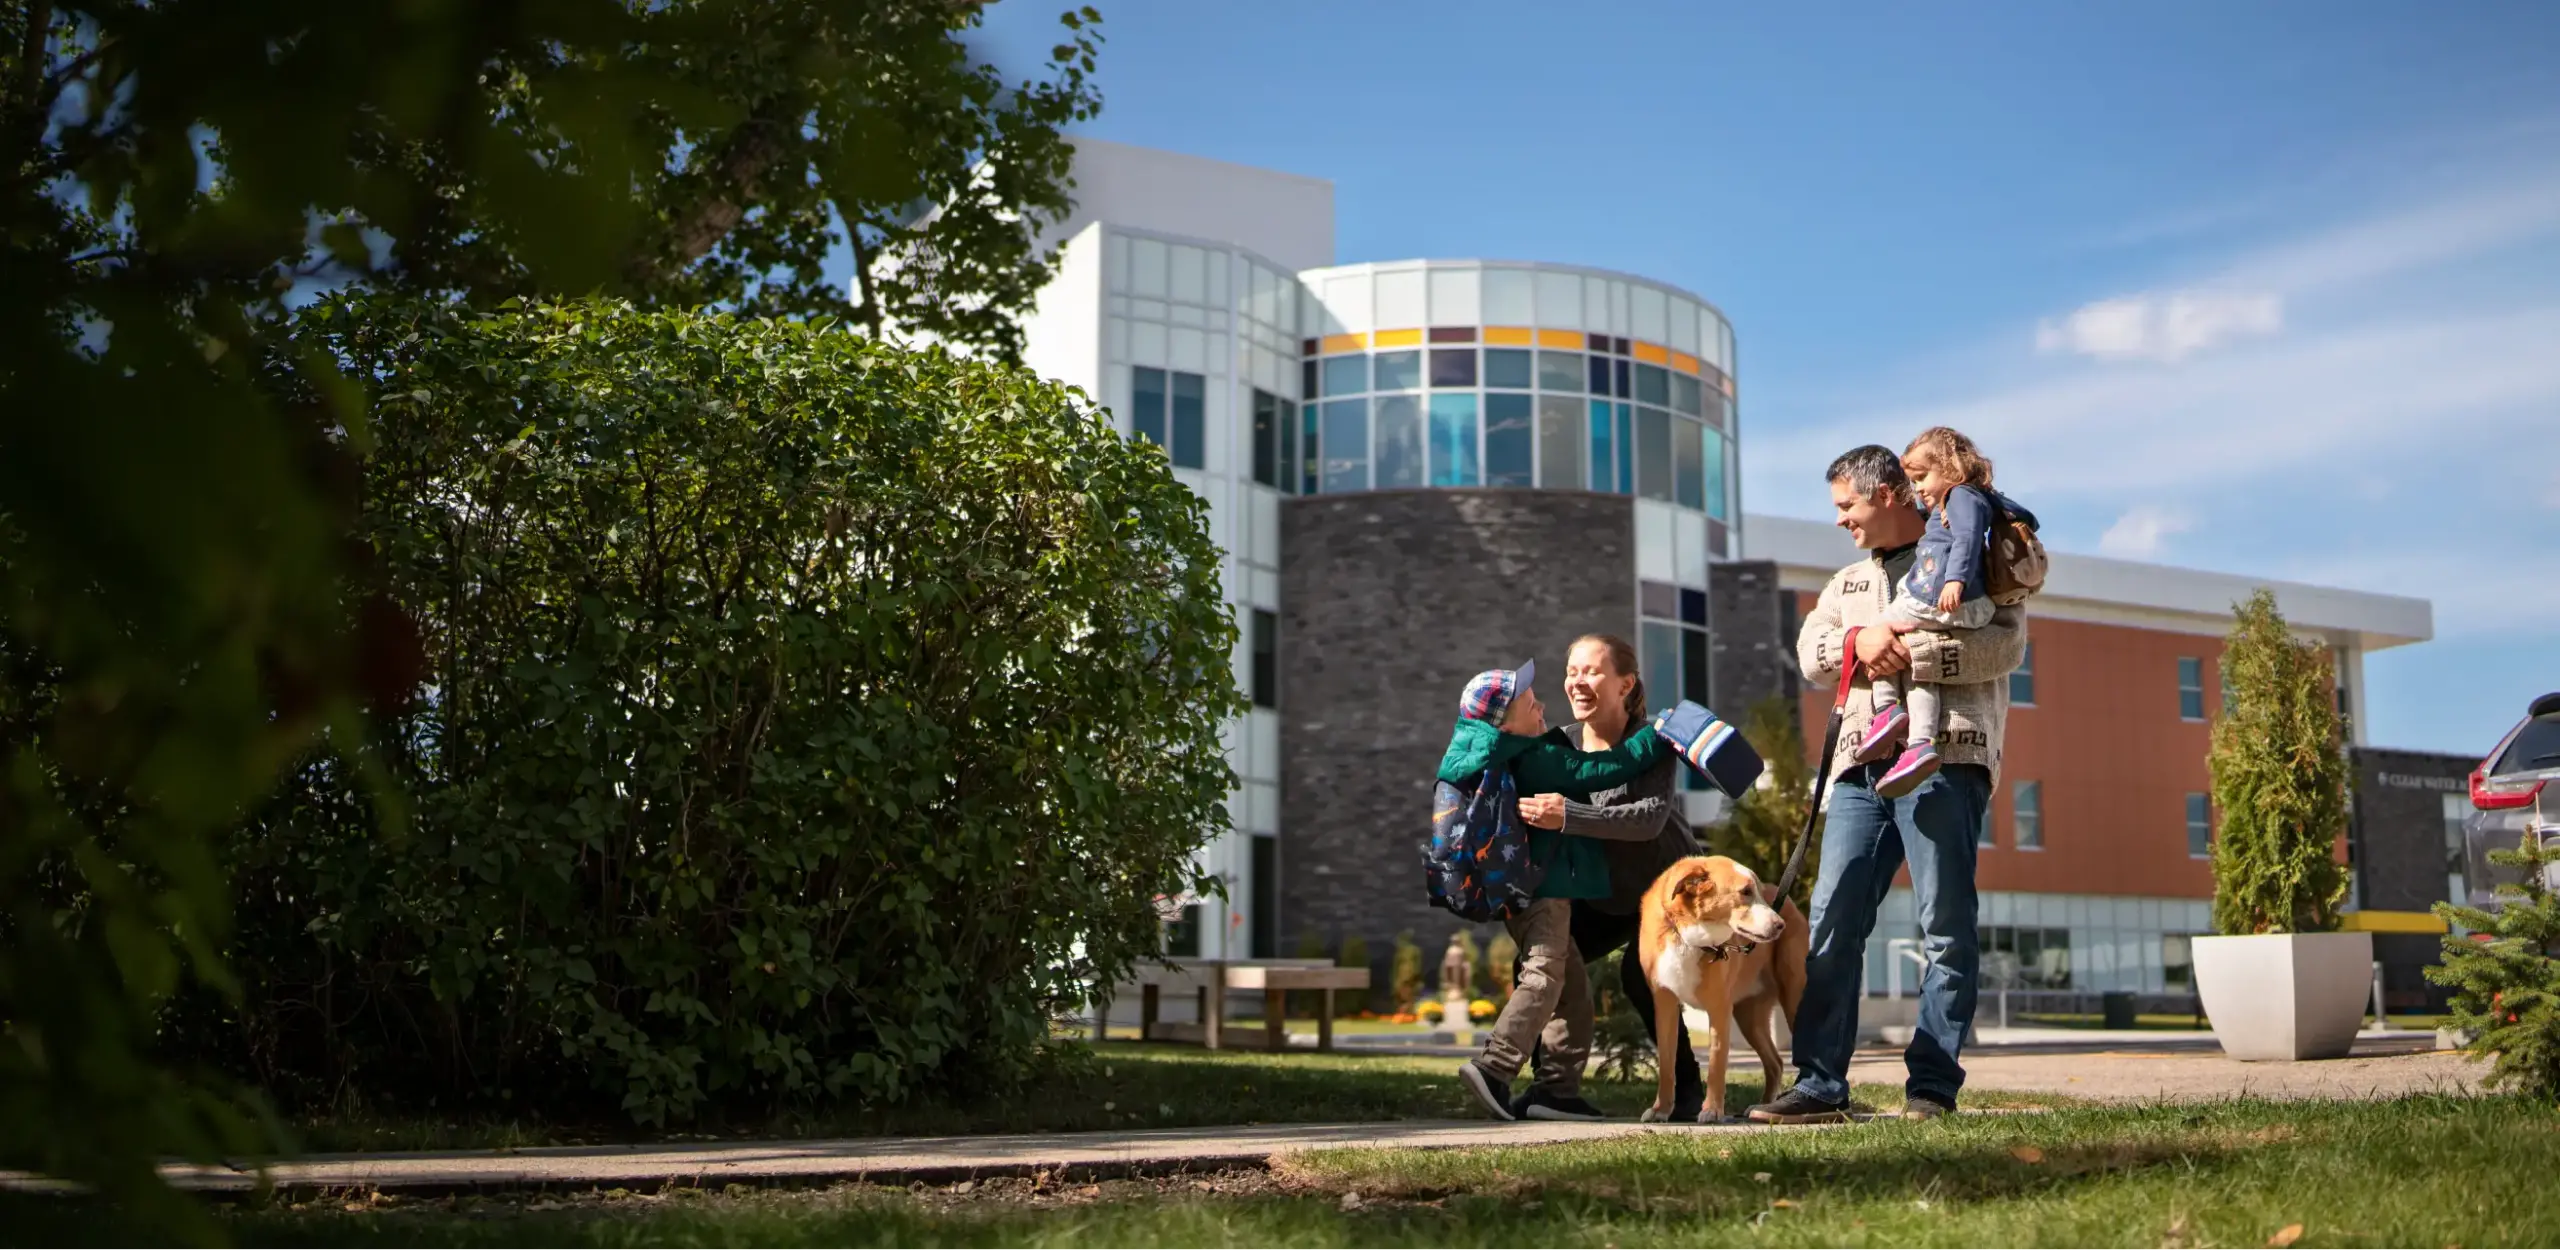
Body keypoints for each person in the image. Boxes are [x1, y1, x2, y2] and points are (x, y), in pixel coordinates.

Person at [1748, 445, 2027, 1126]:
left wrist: (1906, 650)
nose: (1841, 520)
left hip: (1947, 761)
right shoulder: (1843, 584)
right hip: (1856, 772)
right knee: (1831, 922)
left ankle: (1931, 1089)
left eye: (1849, 505)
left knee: (1946, 929)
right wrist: (1857, 647)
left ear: (1894, 493)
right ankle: (1820, 1084)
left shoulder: (1974, 559)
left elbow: (2005, 645)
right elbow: (1812, 652)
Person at [1437, 660, 1669, 1121]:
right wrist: (1657, 735)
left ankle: (1557, 1091)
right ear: (1503, 722)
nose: (1541, 704)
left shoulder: (1482, 753)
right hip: (1544, 889)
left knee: (1571, 990)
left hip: (1514, 887)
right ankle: (1495, 1066)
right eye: (1529, 702)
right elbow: (1601, 768)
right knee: (1544, 975)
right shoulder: (1530, 754)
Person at [1506, 633, 1709, 1122]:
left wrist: (1568, 814)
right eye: (1572, 671)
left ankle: (1687, 1091)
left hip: (1665, 889)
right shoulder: (1561, 745)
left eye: (1592, 671)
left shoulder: (1654, 741)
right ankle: (1553, 1088)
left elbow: (1648, 819)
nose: (1578, 681)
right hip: (1602, 891)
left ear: (1626, 684)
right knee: (1542, 958)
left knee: (1640, 975)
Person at [1855, 426, 2040, 799]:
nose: (1919, 489)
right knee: (1921, 668)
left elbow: (1968, 538)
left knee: (1876, 634)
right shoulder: (1971, 498)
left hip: (1944, 596)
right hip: (1959, 603)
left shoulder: (1960, 497)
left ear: (1951, 468)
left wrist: (1955, 580)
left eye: (1922, 478)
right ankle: (1920, 743)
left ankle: (1887, 709)